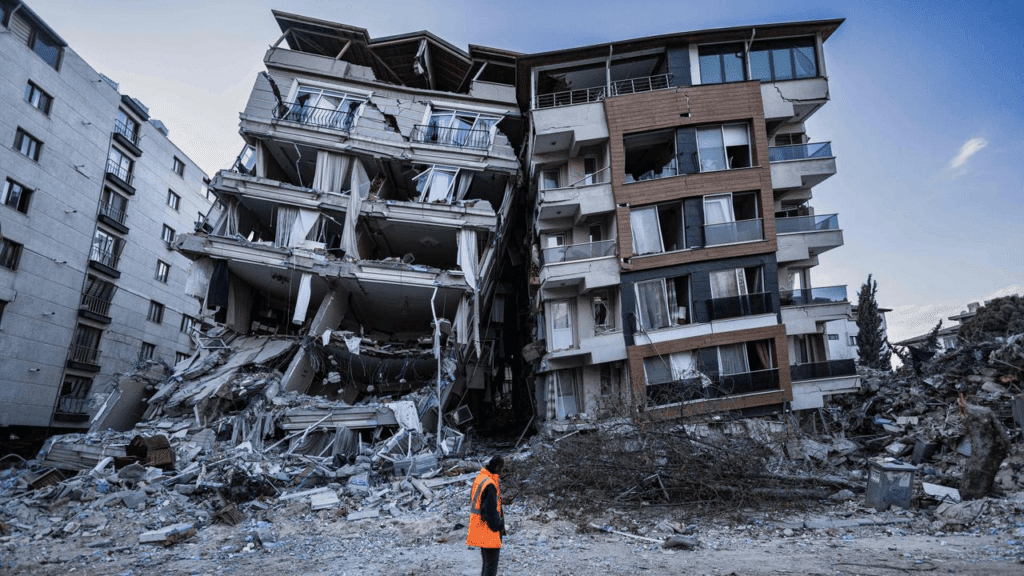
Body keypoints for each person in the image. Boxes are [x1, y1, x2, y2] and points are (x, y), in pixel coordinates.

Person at [467, 455, 506, 576]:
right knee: (491, 568)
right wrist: (499, 525)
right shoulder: (489, 484)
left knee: (487, 564)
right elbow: (489, 511)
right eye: (501, 470)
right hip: (489, 530)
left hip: (479, 527)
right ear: (497, 467)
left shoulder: (481, 478)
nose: (501, 473)